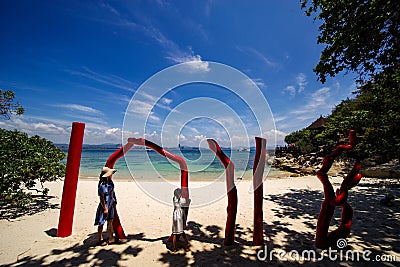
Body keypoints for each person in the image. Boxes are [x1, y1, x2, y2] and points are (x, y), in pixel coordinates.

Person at [94, 167, 117, 246]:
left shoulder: (110, 182)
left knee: (110, 221)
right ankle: (100, 239)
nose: (111, 175)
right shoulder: (102, 185)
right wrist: (104, 208)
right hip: (105, 205)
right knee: (101, 223)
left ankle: (110, 238)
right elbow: (101, 198)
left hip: (111, 203)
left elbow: (112, 192)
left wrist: (115, 199)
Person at [171, 188, 189, 252]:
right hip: (180, 215)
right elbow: (186, 201)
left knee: (175, 233)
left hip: (175, 215)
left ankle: (174, 248)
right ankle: (187, 246)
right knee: (182, 232)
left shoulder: (174, 199)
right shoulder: (182, 200)